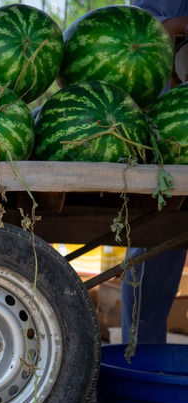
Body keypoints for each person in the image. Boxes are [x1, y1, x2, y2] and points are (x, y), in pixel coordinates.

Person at [121, 0, 188, 344]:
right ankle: (141, 357)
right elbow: (140, 28)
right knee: (160, 236)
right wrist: (176, 25)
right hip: (165, 133)